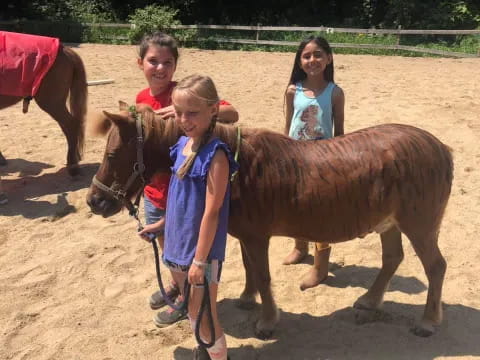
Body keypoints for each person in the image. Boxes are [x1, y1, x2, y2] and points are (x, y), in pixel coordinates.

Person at [135, 31, 238, 328]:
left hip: (186, 192)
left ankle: (184, 298)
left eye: (167, 62)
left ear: (176, 65)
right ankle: (176, 285)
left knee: (188, 249)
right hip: (159, 189)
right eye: (153, 61)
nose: (160, 68)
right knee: (170, 249)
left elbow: (230, 111)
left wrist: (175, 111)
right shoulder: (141, 99)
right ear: (140, 63)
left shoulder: (185, 94)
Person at [160, 74, 237, 359]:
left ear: (213, 110)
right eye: (178, 112)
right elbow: (179, 199)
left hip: (199, 252)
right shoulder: (182, 146)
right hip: (178, 244)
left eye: (192, 113)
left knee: (205, 313)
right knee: (192, 308)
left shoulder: (215, 156)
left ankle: (219, 356)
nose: (184, 119)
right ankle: (206, 349)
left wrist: (200, 261)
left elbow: (212, 211)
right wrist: (161, 223)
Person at [283, 35, 345, 291]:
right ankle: (300, 247)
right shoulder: (292, 90)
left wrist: (340, 161)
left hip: (323, 162)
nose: (313, 60)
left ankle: (321, 267)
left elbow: (339, 131)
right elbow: (287, 125)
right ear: (299, 61)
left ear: (329, 58)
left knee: (321, 215)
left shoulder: (335, 92)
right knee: (296, 207)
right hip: (296, 158)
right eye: (307, 55)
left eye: (318, 54)